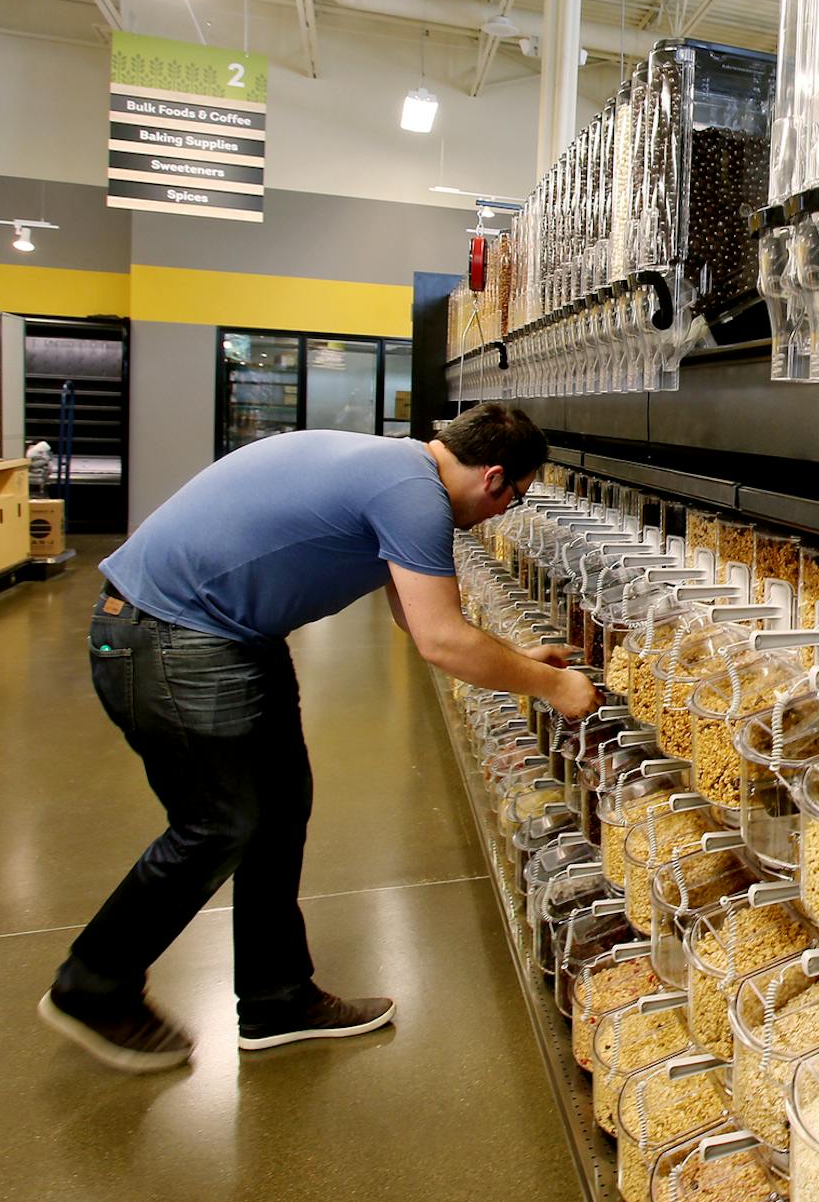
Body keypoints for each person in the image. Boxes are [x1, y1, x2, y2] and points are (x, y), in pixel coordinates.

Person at [41, 403, 599, 1074]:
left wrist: (520, 656)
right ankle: (93, 983)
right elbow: (440, 640)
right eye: (516, 498)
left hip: (220, 636)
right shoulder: (413, 495)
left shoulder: (401, 471)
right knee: (220, 823)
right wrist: (552, 688)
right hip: (168, 636)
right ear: (496, 477)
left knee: (277, 810)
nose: (505, 514)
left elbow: (411, 608)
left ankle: (277, 999)